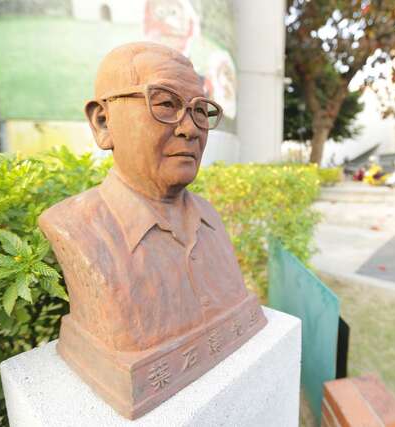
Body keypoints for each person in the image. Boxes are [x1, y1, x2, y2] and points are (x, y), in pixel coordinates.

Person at [38, 42, 266, 419]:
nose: (191, 129)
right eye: (165, 104)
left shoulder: (211, 220)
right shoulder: (76, 230)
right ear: (103, 122)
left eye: (200, 111)